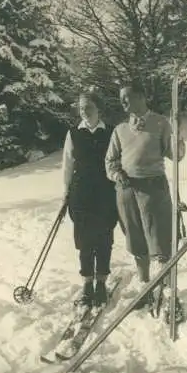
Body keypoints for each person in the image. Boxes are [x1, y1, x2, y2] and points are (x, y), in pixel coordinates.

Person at [105, 81, 185, 318]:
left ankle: (168, 291)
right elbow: (110, 161)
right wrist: (117, 174)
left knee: (160, 239)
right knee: (136, 239)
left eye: (127, 97)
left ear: (141, 96)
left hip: (154, 188)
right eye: (121, 99)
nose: (123, 102)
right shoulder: (120, 129)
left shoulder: (161, 122)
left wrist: (177, 136)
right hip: (127, 190)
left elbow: (175, 156)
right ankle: (145, 287)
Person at [62, 90, 118, 308]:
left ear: (99, 109)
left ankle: (101, 283)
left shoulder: (112, 132)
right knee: (84, 240)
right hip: (81, 193)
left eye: (89, 107)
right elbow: (68, 165)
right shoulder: (73, 133)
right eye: (81, 107)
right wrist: (66, 193)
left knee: (104, 238)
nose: (84, 111)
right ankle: (87, 283)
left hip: (106, 193)